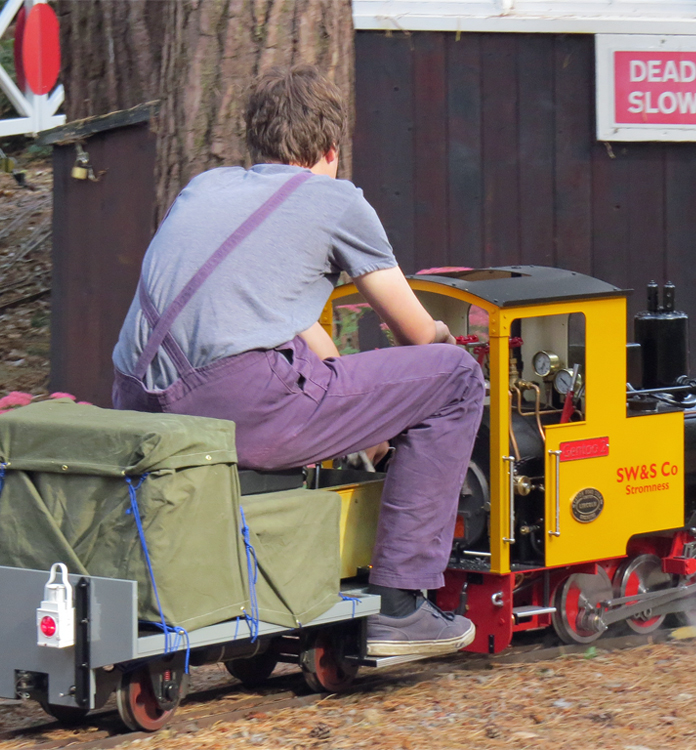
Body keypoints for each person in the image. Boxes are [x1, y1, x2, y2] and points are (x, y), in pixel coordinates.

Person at [112, 65, 483, 657]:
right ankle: (400, 602)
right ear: (332, 148)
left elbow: (279, 317)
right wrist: (449, 337)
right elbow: (416, 331)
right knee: (457, 380)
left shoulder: (207, 187)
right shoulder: (337, 202)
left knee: (315, 371)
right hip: (237, 404)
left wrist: (369, 421)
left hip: (136, 396)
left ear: (255, 144)